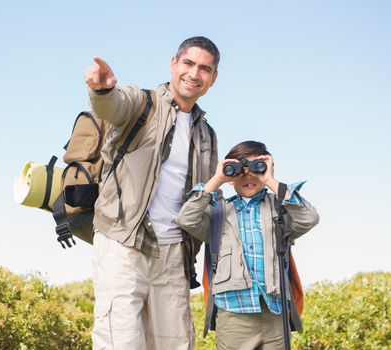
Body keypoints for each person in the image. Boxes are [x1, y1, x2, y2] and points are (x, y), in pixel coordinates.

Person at [84, 36, 220, 349]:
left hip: (174, 253)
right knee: (119, 340)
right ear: (174, 64)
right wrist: (101, 90)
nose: (194, 73)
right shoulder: (143, 104)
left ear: (212, 78)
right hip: (123, 242)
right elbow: (113, 106)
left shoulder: (206, 134)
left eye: (204, 68)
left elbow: (209, 201)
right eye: (188, 63)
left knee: (176, 343)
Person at [176, 140, 320, 350]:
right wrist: (217, 179)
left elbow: (309, 218)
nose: (249, 176)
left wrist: (270, 180)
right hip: (233, 312)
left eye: (256, 168)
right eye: (241, 170)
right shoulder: (218, 212)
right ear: (231, 177)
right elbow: (185, 218)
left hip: (275, 311)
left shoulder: (280, 208)